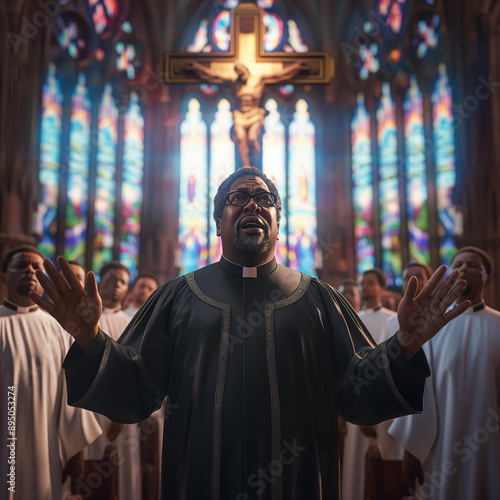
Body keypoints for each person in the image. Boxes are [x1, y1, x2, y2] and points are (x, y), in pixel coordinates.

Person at [31, 167, 469, 500]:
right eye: (238, 197)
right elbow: (135, 390)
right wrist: (87, 337)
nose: (253, 204)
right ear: (218, 221)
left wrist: (406, 342)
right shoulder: (178, 296)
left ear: (278, 222)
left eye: (265, 198)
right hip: (198, 483)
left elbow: (358, 393)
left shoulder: (318, 298)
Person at [389, 247, 500, 500]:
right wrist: (411, 449)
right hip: (442, 447)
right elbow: (420, 386)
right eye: (458, 264)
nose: (463, 268)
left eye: (473, 264)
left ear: (488, 277)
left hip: (492, 446)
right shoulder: (432, 327)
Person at [0, 245, 102, 500]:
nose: (30, 271)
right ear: (4, 277)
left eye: (36, 267)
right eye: (20, 265)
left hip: (46, 445)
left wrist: (76, 451)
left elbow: (73, 388)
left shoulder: (60, 328)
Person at [84, 261, 142, 500]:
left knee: (122, 476)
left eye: (122, 282)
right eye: (112, 279)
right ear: (99, 280)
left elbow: (140, 372)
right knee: (88, 470)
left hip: (124, 415)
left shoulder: (135, 324)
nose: (116, 285)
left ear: (127, 288)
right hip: (87, 411)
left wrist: (123, 411)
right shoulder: (84, 320)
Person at [341, 268, 398, 500]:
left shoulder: (391, 319)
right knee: (356, 463)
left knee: (384, 464)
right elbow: (347, 367)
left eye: (371, 282)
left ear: (381, 287)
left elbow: (390, 367)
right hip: (356, 403)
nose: (365, 286)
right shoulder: (351, 320)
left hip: (384, 407)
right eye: (363, 282)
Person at [185, 60, 309, 167]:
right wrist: (196, 67)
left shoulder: (259, 80)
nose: (240, 74)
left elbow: (279, 75)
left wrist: (297, 67)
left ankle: (255, 165)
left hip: (255, 114)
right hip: (240, 115)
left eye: (241, 71)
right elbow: (213, 75)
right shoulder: (235, 83)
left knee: (252, 138)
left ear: (246, 70)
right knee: (240, 138)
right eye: (237, 72)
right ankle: (246, 165)